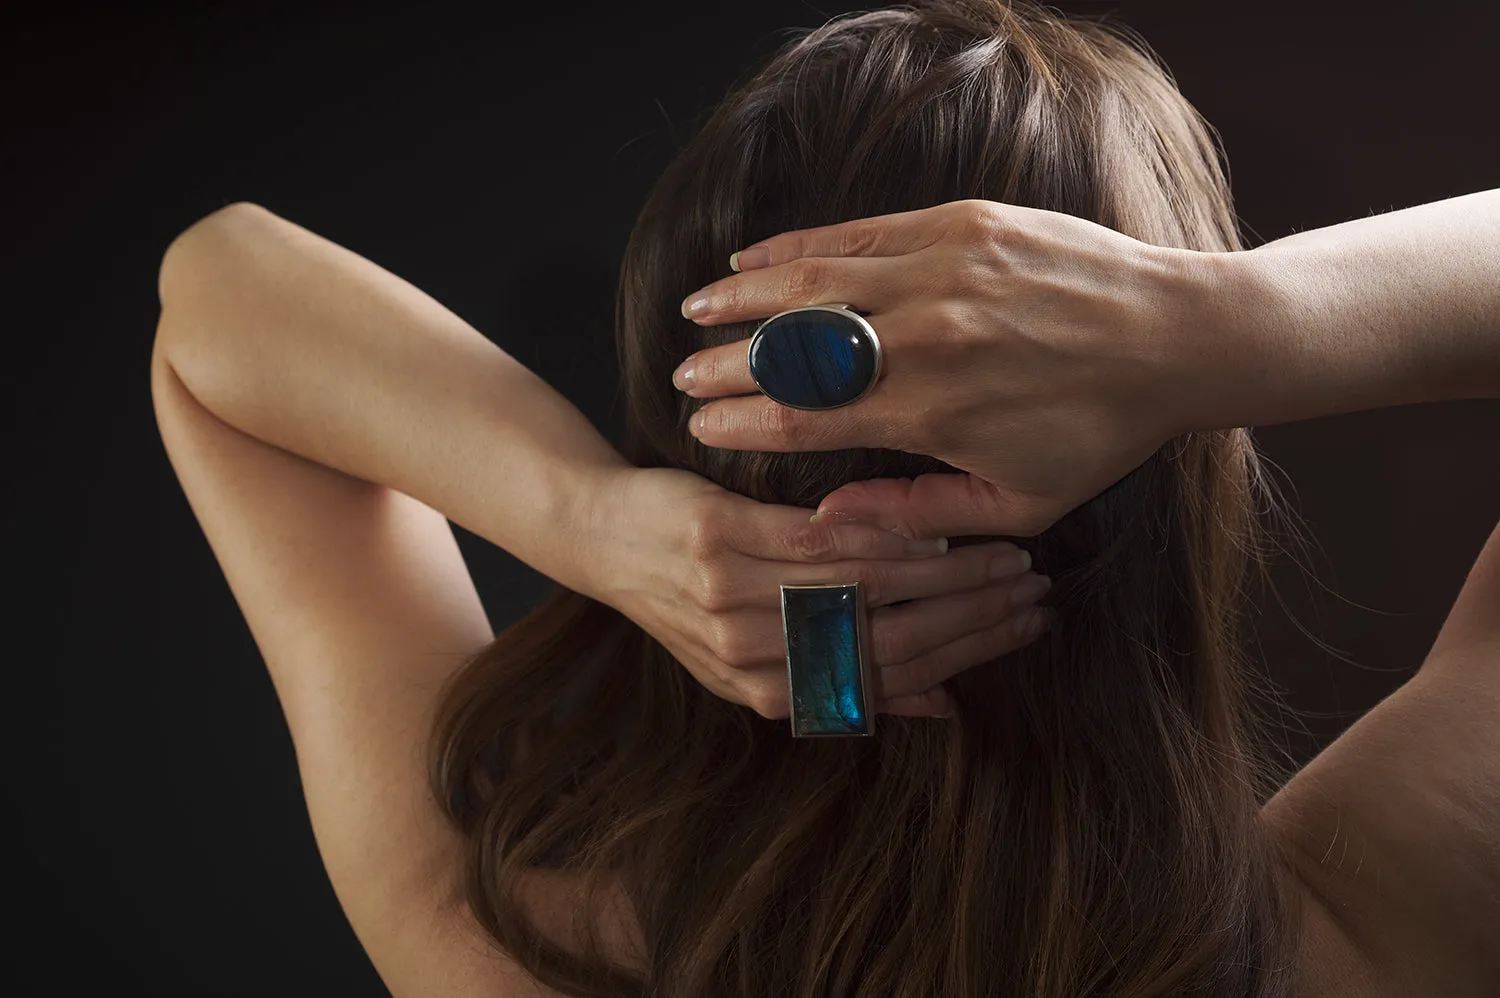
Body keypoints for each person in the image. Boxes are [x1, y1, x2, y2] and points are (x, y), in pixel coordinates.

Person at [148, 0, 1498, 995]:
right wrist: (1225, 329)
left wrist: (593, 521)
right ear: (1185, 477)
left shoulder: (499, 939)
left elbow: (214, 298)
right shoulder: (1377, 934)